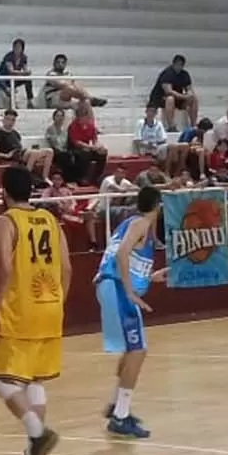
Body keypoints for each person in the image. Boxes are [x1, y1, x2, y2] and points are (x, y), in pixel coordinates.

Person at [0, 164, 69, 455]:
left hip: (20, 308)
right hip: (50, 304)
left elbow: (4, 268)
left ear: (4, 191)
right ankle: (33, 453)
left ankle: (38, 433)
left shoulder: (4, 222)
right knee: (34, 378)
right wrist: (59, 302)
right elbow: (68, 270)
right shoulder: (50, 219)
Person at [94, 186, 169, 439]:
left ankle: (117, 405)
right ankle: (121, 416)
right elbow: (122, 254)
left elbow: (126, 257)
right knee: (138, 351)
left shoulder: (129, 222)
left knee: (131, 349)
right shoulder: (141, 225)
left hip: (109, 285)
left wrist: (150, 277)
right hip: (115, 287)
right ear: (158, 206)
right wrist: (129, 292)